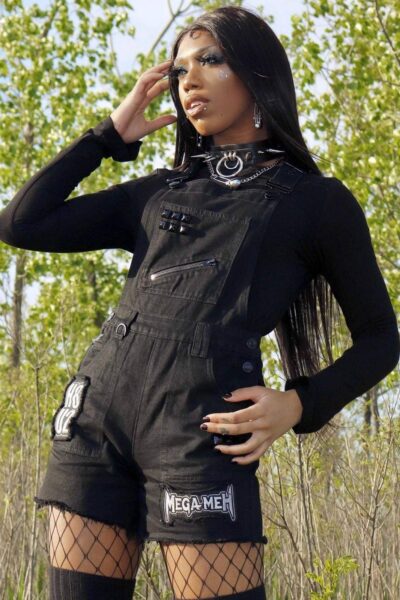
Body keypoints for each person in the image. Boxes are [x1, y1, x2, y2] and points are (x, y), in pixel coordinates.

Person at [0, 6, 398, 600]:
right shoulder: (160, 190)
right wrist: (108, 137)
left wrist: (299, 404)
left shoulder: (317, 202)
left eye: (210, 60)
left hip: (200, 433)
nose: (189, 81)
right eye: (180, 69)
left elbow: (382, 340)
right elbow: (21, 223)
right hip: (94, 425)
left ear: (258, 75)